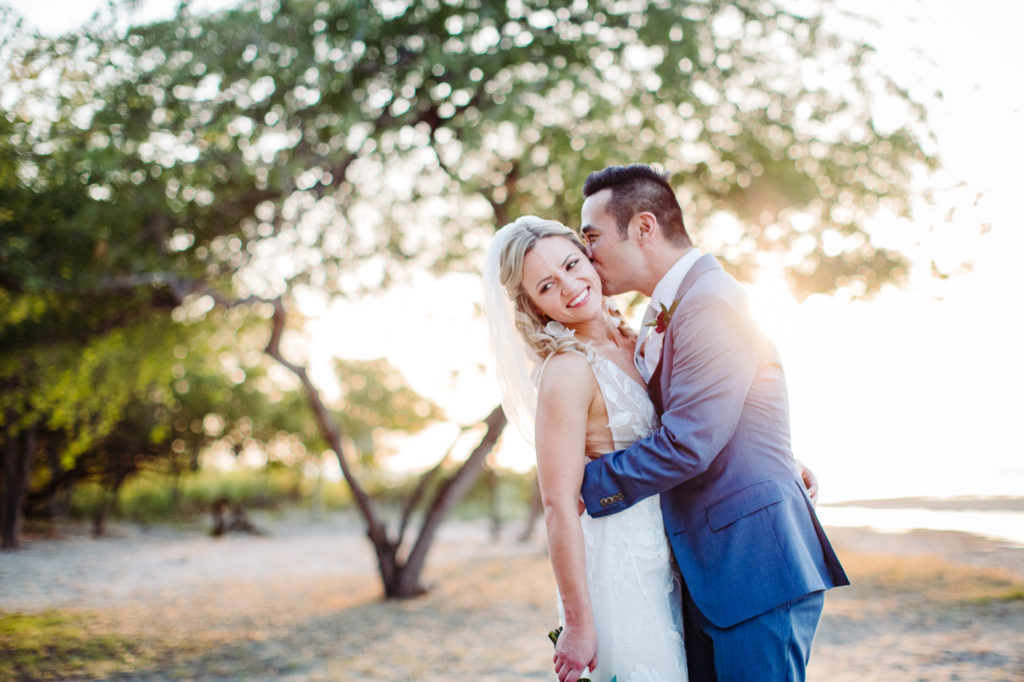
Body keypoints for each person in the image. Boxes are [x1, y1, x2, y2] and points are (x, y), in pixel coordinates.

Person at [576, 164, 850, 681]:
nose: (588, 256)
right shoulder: (669, 309)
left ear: (643, 228)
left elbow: (687, 442)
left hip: (753, 566)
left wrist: (583, 484)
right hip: (712, 568)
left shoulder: (709, 302)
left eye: (592, 238)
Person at [483, 216, 690, 682]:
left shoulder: (637, 341)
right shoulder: (567, 372)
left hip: (671, 553)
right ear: (535, 307)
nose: (571, 286)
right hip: (621, 566)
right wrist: (577, 624)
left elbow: (699, 425)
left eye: (573, 265)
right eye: (547, 286)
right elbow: (557, 504)